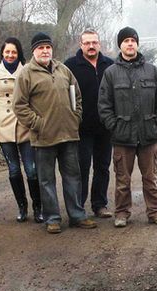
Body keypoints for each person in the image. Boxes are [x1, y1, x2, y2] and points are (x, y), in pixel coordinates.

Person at [13, 32, 97, 234]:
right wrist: (38, 124)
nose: (45, 51)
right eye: (40, 47)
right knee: (46, 180)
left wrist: (75, 117)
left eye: (47, 47)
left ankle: (77, 215)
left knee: (73, 177)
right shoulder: (26, 73)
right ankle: (52, 218)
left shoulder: (63, 70)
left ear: (52, 49)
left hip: (68, 134)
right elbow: (19, 106)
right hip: (44, 138)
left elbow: (77, 96)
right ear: (34, 51)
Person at [98, 27, 157, 228]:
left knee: (151, 178)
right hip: (122, 138)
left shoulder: (152, 71)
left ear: (137, 44)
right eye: (126, 41)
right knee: (122, 180)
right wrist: (114, 126)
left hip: (148, 135)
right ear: (120, 45)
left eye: (133, 40)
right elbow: (104, 105)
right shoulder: (110, 73)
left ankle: (155, 212)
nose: (130, 44)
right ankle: (121, 213)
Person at [0, 37, 43, 223]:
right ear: (2, 52)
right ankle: (22, 206)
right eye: (7, 52)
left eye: (14, 52)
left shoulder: (27, 70)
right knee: (13, 170)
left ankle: (38, 207)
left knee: (32, 170)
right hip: (4, 126)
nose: (10, 55)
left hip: (25, 126)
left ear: (19, 54)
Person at [64, 29, 114, 218]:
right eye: (87, 43)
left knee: (102, 167)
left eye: (94, 42)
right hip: (81, 128)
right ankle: (79, 207)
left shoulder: (109, 65)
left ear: (99, 44)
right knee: (82, 168)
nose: (91, 46)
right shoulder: (70, 66)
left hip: (105, 127)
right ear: (81, 44)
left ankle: (99, 205)